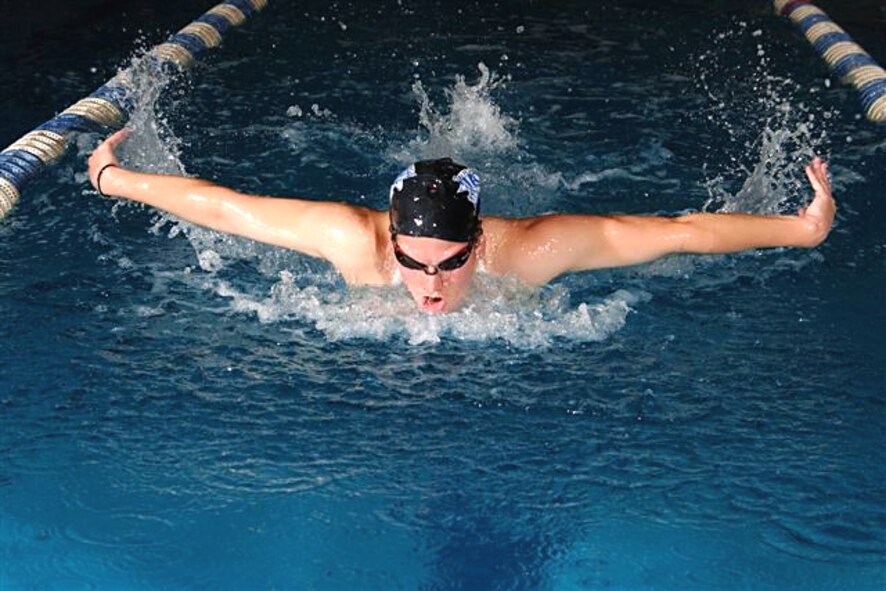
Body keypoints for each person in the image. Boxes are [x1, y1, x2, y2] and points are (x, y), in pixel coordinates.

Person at [88, 129, 835, 314]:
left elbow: (679, 230)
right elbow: (227, 208)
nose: (432, 284)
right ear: (391, 236)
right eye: (413, 263)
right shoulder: (352, 240)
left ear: (481, 242)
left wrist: (800, 229)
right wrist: (111, 177)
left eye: (450, 261)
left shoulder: (535, 251)